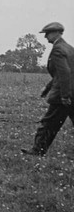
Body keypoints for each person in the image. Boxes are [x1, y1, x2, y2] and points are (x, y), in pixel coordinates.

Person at [22, 22, 74, 156]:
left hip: (63, 95)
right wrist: (47, 88)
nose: (45, 37)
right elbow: (62, 73)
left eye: (47, 33)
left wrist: (65, 96)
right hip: (71, 92)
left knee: (49, 123)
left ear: (56, 33)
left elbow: (65, 73)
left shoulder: (58, 49)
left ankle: (37, 150)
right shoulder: (69, 48)